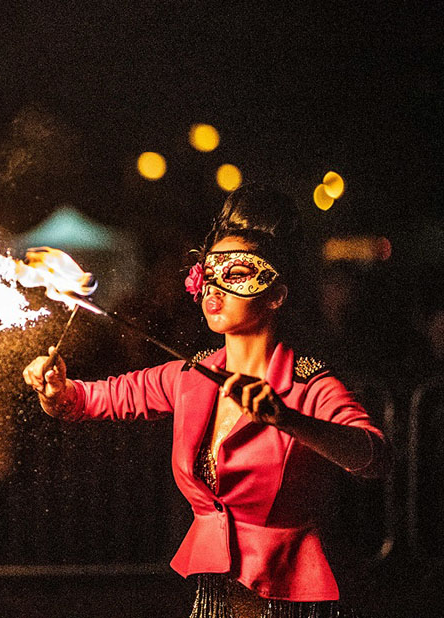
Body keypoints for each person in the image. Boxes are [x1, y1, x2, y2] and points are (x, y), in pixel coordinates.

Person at [23, 184, 389, 618]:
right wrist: (57, 392)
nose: (215, 289)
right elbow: (90, 399)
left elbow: (374, 457)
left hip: (290, 598)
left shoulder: (309, 384)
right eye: (209, 274)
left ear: (276, 294)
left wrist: (288, 419)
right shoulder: (191, 377)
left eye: (235, 275)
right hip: (215, 594)